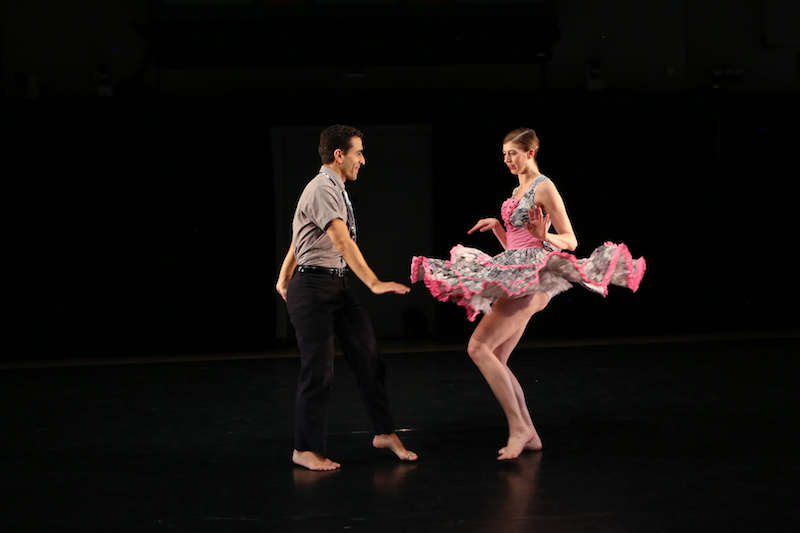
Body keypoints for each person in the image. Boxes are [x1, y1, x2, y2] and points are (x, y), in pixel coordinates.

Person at [411, 127, 645, 460]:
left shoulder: (544, 187)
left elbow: (571, 240)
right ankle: (529, 432)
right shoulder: (516, 189)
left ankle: (519, 428)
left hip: (533, 280)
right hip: (518, 272)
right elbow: (516, 248)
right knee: (497, 358)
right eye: (504, 154)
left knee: (477, 347)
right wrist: (497, 227)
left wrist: (545, 235)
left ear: (530, 153)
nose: (507, 159)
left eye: (512, 153)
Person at [276, 124, 418, 471]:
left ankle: (385, 432)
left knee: (369, 359)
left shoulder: (333, 188)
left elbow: (301, 233)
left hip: (336, 286)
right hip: (313, 290)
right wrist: (373, 282)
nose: (363, 160)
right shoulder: (322, 188)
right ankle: (305, 449)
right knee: (319, 371)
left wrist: (281, 277)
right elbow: (340, 238)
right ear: (339, 155)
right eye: (358, 153)